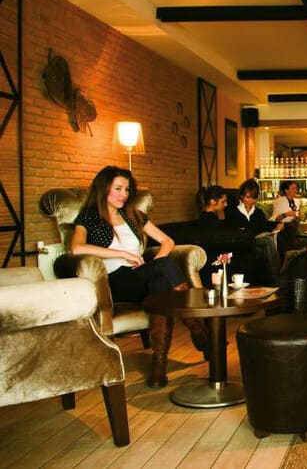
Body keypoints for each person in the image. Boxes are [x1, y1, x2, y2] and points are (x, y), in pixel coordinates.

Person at [71, 165, 209, 387]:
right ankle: (198, 328)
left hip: (140, 276)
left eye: (127, 189)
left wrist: (156, 264)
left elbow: (167, 241)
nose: (124, 194)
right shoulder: (89, 217)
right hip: (115, 281)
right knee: (163, 271)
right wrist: (122, 254)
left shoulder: (134, 215)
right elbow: (77, 248)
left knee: (160, 282)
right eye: (118, 188)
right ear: (104, 188)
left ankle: (159, 365)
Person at [225, 179, 283, 285]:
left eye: (253, 198)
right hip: (241, 243)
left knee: (267, 243)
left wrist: (277, 225)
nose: (250, 201)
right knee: (268, 241)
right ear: (242, 196)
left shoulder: (258, 213)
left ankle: (273, 278)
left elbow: (264, 225)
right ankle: (277, 277)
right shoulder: (232, 213)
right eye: (248, 197)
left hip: (256, 241)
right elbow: (232, 231)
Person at [270, 180, 304, 257]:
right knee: (285, 252)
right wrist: (286, 214)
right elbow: (276, 219)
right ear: (286, 190)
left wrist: (299, 217)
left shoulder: (297, 201)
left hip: (292, 229)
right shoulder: (279, 201)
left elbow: (297, 216)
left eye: (296, 188)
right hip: (282, 231)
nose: (296, 190)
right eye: (293, 188)